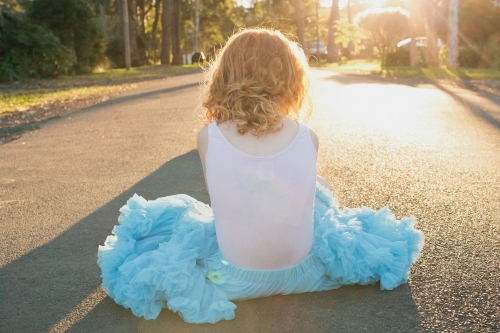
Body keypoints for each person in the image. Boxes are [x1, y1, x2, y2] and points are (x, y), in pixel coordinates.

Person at [97, 28, 424, 324]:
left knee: (177, 227)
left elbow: (224, 203)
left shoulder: (208, 136)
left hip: (229, 279)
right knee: (321, 196)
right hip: (304, 275)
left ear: (225, 76)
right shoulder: (307, 135)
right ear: (291, 78)